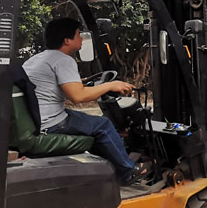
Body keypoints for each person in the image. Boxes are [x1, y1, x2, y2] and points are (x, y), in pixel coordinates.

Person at [23, 17, 151, 184]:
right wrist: (110, 85)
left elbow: (58, 87)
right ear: (67, 40)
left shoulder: (38, 58)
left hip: (37, 119)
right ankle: (128, 171)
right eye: (78, 34)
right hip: (51, 123)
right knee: (103, 125)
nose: (82, 39)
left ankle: (107, 168)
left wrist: (80, 82)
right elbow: (78, 96)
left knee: (90, 123)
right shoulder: (63, 60)